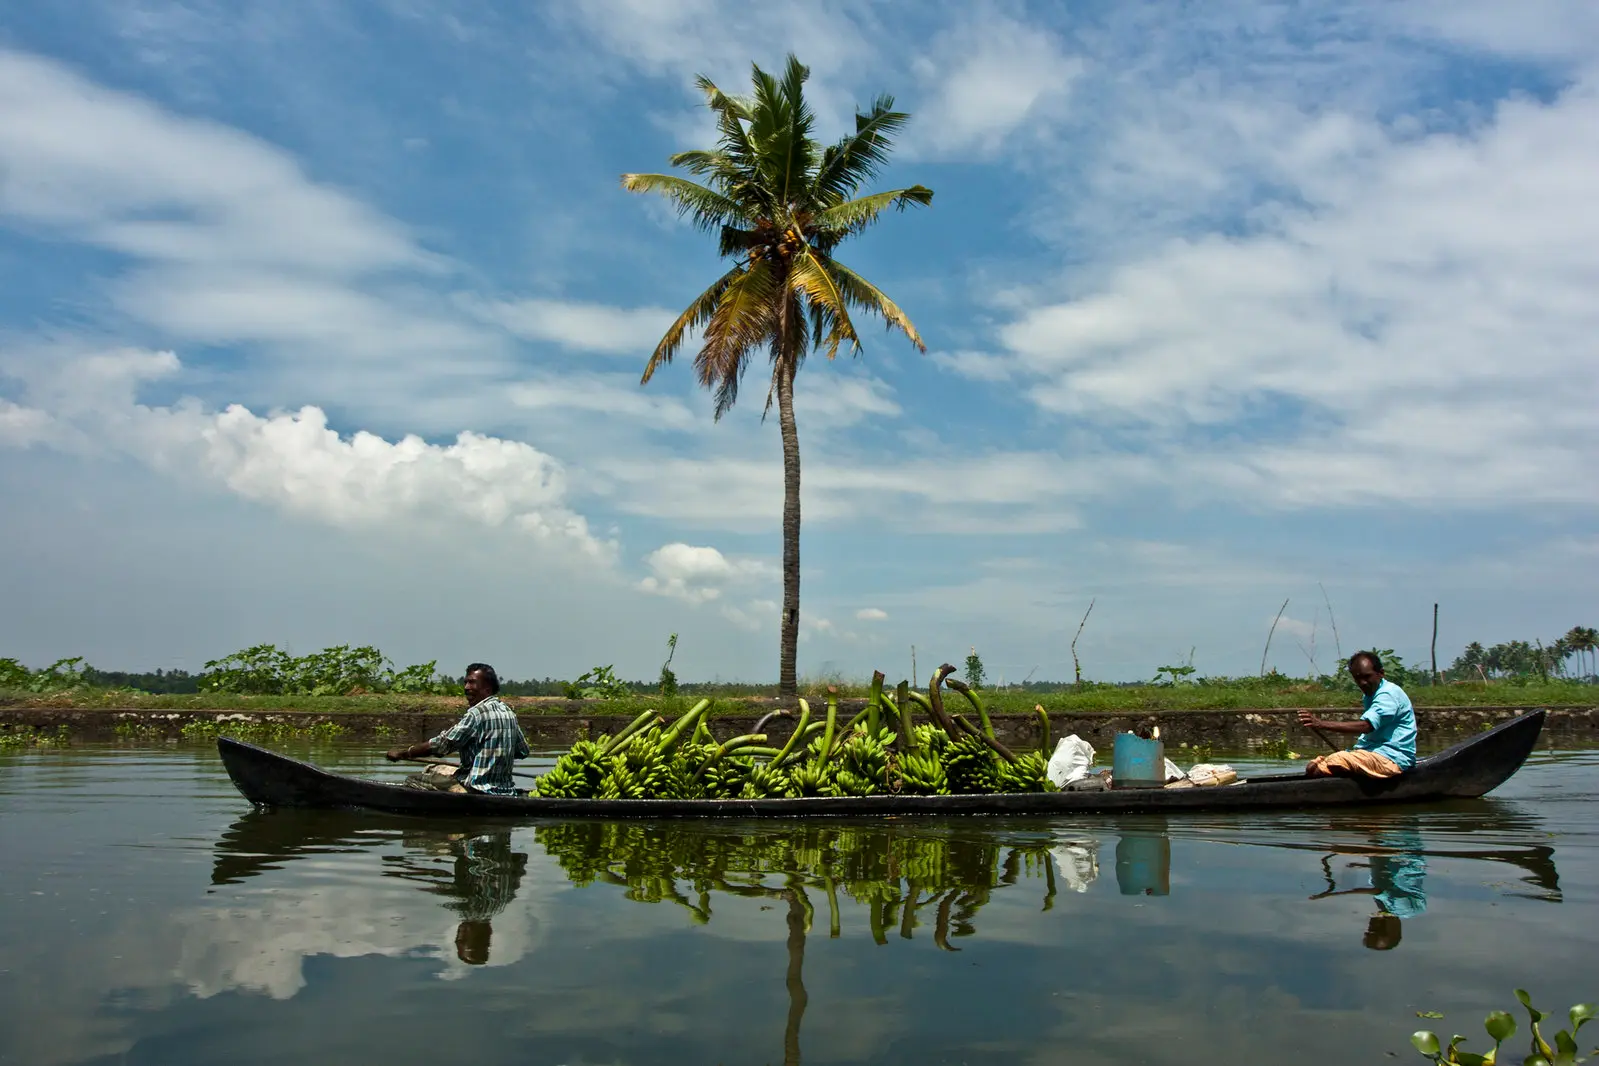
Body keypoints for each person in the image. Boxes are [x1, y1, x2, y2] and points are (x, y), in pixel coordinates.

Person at [386, 663, 530, 795]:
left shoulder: (477, 714)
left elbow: (442, 745)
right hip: (505, 788)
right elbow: (522, 751)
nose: (466, 687)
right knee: (431, 768)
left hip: (477, 788)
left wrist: (404, 753)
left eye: (472, 682)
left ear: (487, 688)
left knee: (412, 779)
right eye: (466, 682)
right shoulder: (508, 712)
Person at [1297, 651, 1417, 779]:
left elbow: (1366, 726)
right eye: (1358, 678)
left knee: (1328, 765)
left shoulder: (1388, 695)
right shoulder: (1370, 694)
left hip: (1392, 759)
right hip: (1372, 753)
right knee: (1312, 766)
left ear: (1381, 673)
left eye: (1367, 677)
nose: (1362, 683)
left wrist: (1320, 724)